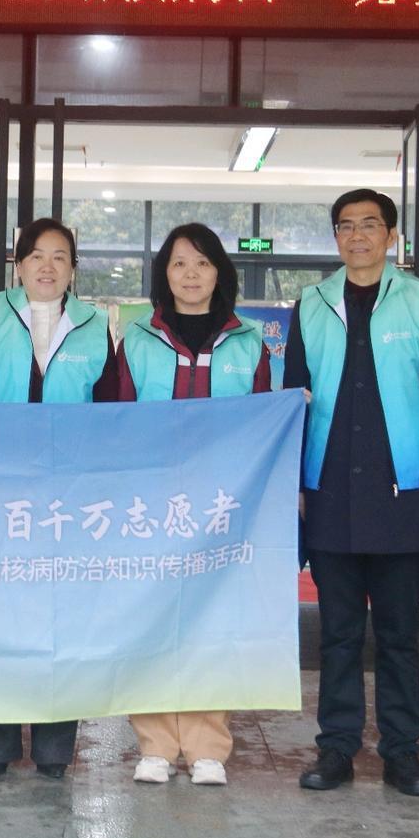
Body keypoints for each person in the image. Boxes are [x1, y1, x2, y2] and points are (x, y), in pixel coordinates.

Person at [284, 188, 419, 798]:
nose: (357, 236)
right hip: (328, 490)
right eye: (345, 226)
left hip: (401, 494)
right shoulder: (311, 304)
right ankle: (336, 749)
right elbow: (292, 400)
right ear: (335, 236)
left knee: (397, 636)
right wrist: (295, 484)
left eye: (369, 225)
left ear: (391, 236)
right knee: (336, 635)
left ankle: (402, 753)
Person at [0, 218, 119, 780]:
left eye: (59, 256)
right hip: (2, 491)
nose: (47, 266)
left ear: (73, 269)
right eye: (36, 256)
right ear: (19, 265)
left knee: (62, 619)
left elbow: (110, 411)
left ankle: (54, 748)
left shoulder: (95, 325)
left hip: (69, 496)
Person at [118, 222, 270, 787]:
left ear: (219, 273)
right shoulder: (138, 338)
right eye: (179, 263)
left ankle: (208, 745)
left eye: (203, 263)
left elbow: (263, 423)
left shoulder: (248, 342)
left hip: (222, 506)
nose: (190, 274)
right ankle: (156, 744)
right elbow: (116, 418)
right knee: (152, 619)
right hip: (152, 505)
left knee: (213, 621)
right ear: (165, 273)